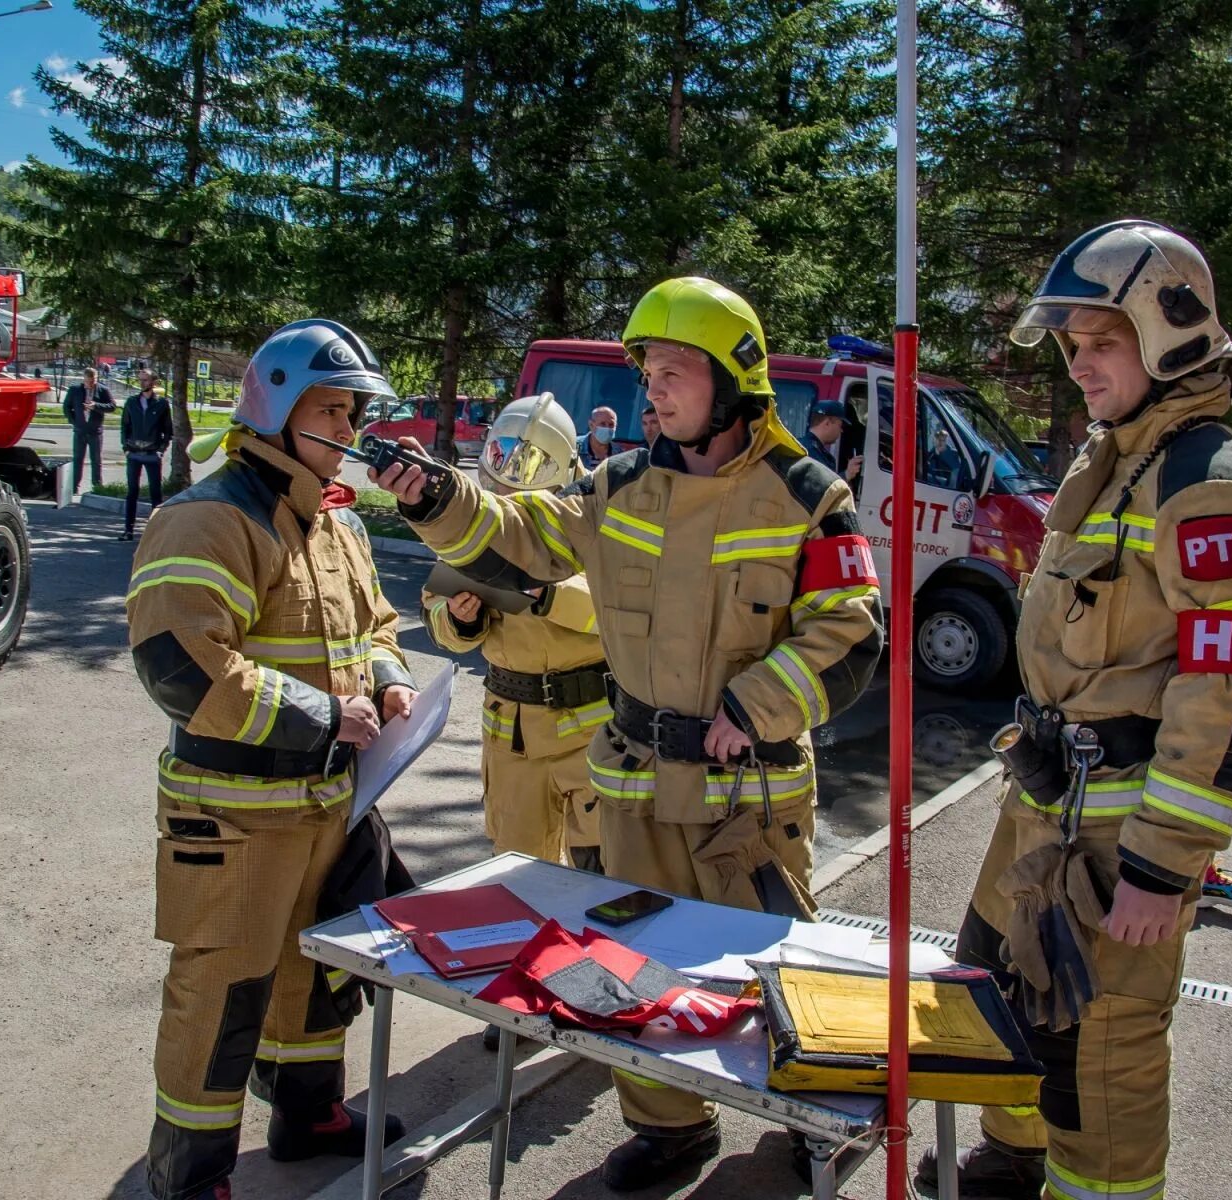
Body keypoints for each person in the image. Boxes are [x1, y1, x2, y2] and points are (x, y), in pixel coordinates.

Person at [375, 276, 882, 1191]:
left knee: (779, 970)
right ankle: (671, 1126)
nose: (652, 389)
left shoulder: (805, 494)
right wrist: (435, 495)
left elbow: (851, 629)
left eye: (675, 370)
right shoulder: (617, 485)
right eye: (648, 370)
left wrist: (750, 707)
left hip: (749, 798)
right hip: (636, 785)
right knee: (633, 970)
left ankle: (822, 1119)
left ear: (734, 381)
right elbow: (518, 538)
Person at [918, 220, 1232, 1200]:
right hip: (1044, 813)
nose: (1081, 367)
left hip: (1121, 840)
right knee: (996, 996)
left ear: (1168, 336)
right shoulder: (1113, 459)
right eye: (1073, 348)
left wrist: (1161, 870)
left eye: (1102, 344)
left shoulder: (1211, 486)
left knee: (1101, 1060)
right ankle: (1015, 1157)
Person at [125, 319, 417, 1200]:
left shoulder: (336, 523)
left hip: (324, 807)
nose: (349, 433)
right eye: (331, 410)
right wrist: (330, 716)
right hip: (236, 817)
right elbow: (181, 662)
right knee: (220, 998)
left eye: (354, 413)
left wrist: (391, 679)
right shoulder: (208, 517)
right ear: (277, 408)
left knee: (316, 979)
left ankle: (307, 1116)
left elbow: (374, 627)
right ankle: (190, 1175)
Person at [421, 394, 608, 873]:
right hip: (512, 743)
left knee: (605, 882)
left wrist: (544, 591)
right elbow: (437, 616)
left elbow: (616, 614)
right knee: (514, 882)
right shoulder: (477, 525)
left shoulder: (591, 518)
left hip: (590, 736)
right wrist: (462, 619)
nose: (507, 496)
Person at [121, 368, 174, 540]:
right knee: (132, 491)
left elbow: (168, 431)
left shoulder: (162, 404)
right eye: (140, 380)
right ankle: (128, 530)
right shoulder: (131, 402)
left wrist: (160, 450)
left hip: (152, 453)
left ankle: (156, 532)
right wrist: (126, 448)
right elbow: (125, 427)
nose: (142, 383)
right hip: (134, 453)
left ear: (153, 382)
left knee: (155, 492)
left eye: (145, 380)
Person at [63, 366, 115, 491]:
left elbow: (112, 406)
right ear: (84, 379)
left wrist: (96, 405)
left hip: (95, 431)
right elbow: (66, 407)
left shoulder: (103, 390)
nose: (90, 384)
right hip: (80, 430)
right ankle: (74, 485)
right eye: (87, 381)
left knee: (96, 460)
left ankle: (97, 486)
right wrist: (74, 421)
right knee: (78, 459)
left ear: (96, 379)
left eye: (92, 381)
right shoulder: (75, 390)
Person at [800, 397, 863, 482]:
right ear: (827, 423)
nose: (841, 430)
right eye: (840, 425)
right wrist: (847, 474)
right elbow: (820, 488)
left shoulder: (811, 449)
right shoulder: (808, 452)